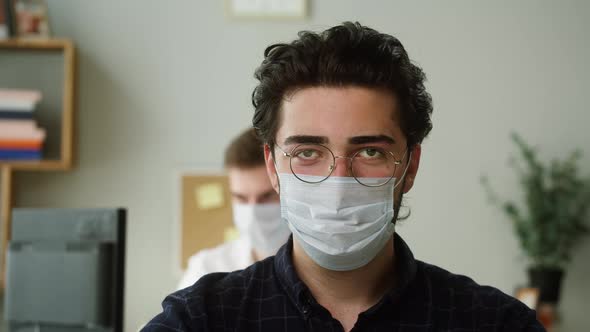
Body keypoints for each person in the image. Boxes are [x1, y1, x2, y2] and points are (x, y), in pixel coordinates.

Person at [144, 22, 545, 331]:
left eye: (370, 151)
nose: (337, 180)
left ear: (410, 166)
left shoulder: (493, 323)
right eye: (307, 152)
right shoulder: (199, 320)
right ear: (273, 166)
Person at [177, 128, 291, 290]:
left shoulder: (326, 271)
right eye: (241, 198)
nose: (253, 211)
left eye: (267, 196)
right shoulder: (207, 270)